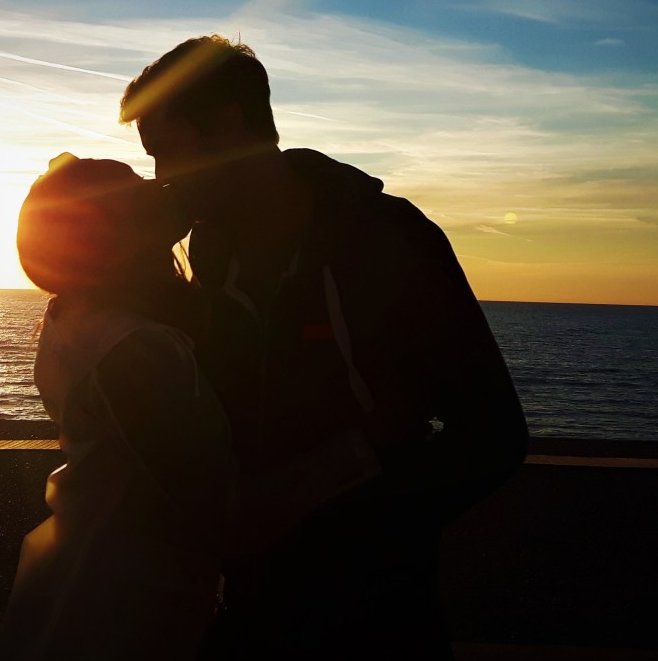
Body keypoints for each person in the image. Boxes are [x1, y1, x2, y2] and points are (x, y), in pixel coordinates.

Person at [119, 36, 529, 660]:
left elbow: (493, 434)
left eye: (166, 152)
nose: (161, 179)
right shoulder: (211, 250)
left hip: (377, 623)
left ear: (229, 125)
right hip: (247, 611)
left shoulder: (389, 239)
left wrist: (358, 530)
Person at [0, 153, 234, 661]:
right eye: (138, 193)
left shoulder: (68, 317)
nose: (159, 191)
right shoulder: (133, 347)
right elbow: (209, 496)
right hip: (125, 595)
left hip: (83, 568)